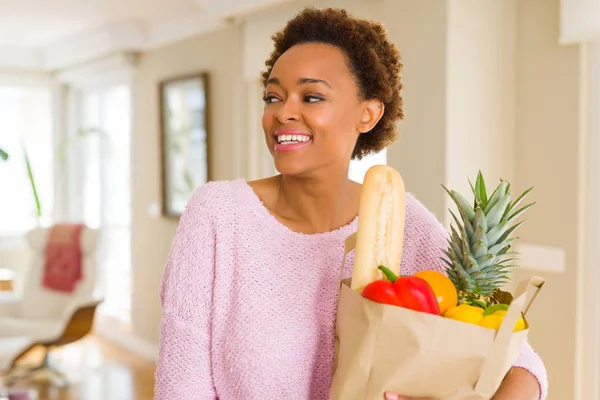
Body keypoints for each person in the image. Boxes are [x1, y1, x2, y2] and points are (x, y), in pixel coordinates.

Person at [154, 7, 548, 400]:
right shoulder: (218, 216)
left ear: (368, 114)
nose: (283, 113)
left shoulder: (400, 219)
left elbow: (522, 366)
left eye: (311, 96)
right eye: (272, 96)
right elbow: (180, 386)